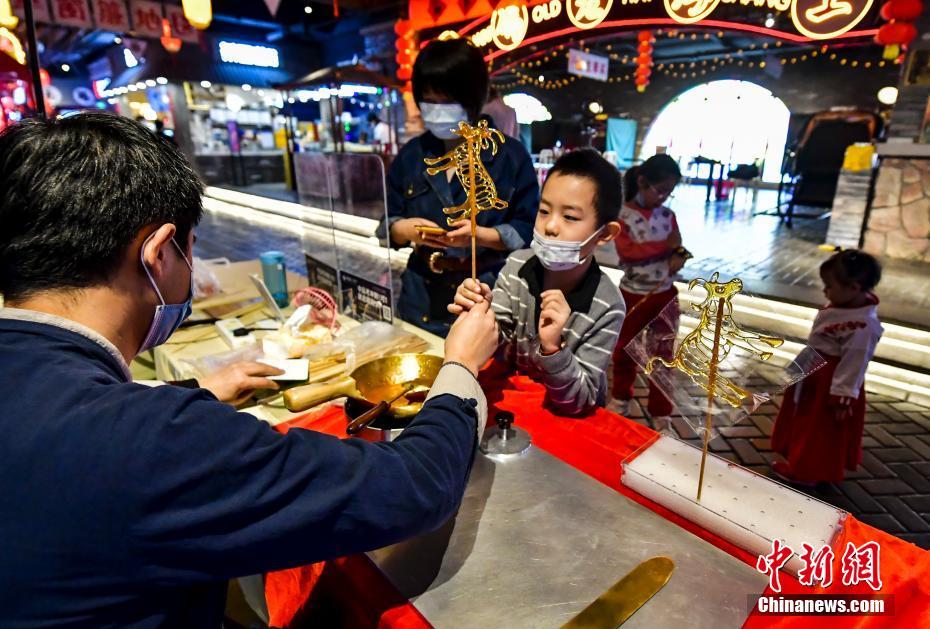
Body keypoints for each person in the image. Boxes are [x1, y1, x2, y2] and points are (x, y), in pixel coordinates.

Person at [0, 112, 500, 626]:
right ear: (157, 254)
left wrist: (200, 390)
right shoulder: (158, 442)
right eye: (191, 250)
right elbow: (412, 487)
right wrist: (460, 366)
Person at [450, 149, 626, 416]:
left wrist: (553, 348)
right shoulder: (517, 266)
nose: (550, 226)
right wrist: (479, 314)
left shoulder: (607, 305)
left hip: (566, 420)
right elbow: (497, 342)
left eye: (570, 217)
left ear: (605, 234)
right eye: (544, 211)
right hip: (511, 409)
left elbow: (580, 402)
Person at [383, 38, 539, 337]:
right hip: (420, 293)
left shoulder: (510, 156)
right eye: (429, 100)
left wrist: (481, 235)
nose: (437, 111)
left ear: (474, 98)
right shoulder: (412, 155)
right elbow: (387, 222)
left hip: (488, 290)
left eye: (448, 101)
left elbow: (529, 228)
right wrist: (403, 230)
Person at [771, 250, 883, 484]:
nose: (825, 291)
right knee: (806, 419)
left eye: (829, 286)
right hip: (817, 369)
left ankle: (806, 471)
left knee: (818, 428)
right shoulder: (844, 307)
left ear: (853, 288)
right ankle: (802, 459)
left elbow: (854, 363)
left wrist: (842, 396)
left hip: (830, 382)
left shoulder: (863, 326)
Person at [611, 154, 689, 425]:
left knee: (663, 354)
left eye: (670, 192)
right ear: (642, 182)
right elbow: (629, 252)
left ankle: (660, 411)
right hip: (633, 293)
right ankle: (621, 396)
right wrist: (666, 246)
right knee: (624, 348)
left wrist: (678, 255)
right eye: (660, 190)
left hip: (665, 294)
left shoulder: (668, 216)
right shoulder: (623, 216)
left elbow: (677, 245)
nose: (664, 197)